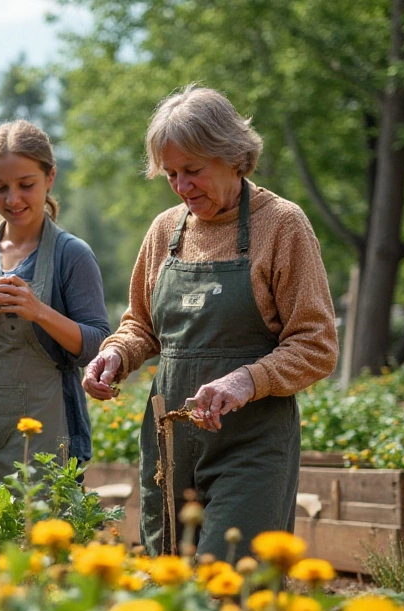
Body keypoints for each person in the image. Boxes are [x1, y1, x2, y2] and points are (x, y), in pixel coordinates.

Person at [83, 84, 338, 558]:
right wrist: (114, 355)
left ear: (233, 156)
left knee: (233, 583)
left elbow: (316, 344)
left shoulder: (282, 225)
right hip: (169, 445)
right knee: (170, 582)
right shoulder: (165, 230)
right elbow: (141, 324)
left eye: (193, 171)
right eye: (171, 174)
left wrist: (247, 380)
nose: (182, 187)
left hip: (252, 445)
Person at [0, 120, 110, 482]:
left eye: (26, 185)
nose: (12, 199)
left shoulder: (71, 255)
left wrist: (38, 311)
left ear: (50, 178)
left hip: (46, 438)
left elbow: (96, 346)